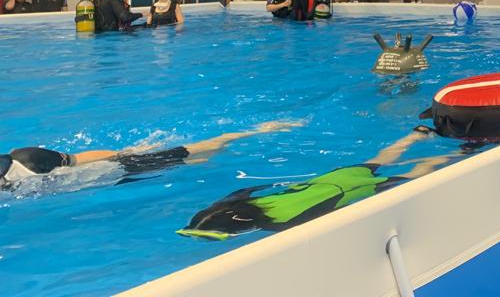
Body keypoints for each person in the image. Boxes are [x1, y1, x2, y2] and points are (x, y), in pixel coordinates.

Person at [177, 126, 453, 240]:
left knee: (412, 176)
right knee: (377, 160)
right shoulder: (245, 201)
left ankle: (451, 156)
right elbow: (243, 190)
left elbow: (322, 217)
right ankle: (414, 137)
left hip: (348, 191)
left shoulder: (281, 225)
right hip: (328, 180)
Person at [1, 121, 297, 192]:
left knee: (198, 151)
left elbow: (80, 158)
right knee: (195, 160)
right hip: (110, 184)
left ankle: (249, 133)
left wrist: (124, 154)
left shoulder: (26, 160)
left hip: (115, 170)